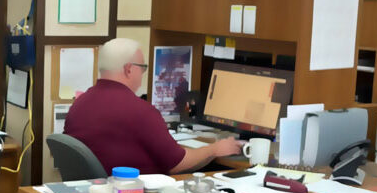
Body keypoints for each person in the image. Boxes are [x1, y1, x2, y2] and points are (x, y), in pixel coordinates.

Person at [64, 38, 243, 175]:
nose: (142, 74)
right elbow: (177, 163)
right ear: (128, 69)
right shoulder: (140, 111)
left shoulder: (79, 104)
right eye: (142, 68)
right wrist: (215, 149)